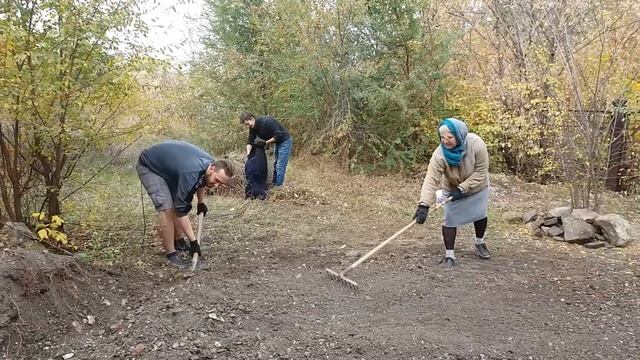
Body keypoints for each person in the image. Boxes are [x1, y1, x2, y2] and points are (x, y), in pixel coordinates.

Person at [136, 140, 233, 268]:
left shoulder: (209, 165)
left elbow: (202, 181)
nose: (216, 185)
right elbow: (181, 212)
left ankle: (178, 242)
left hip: (169, 168)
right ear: (212, 169)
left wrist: (201, 202)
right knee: (167, 208)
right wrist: (194, 242)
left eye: (221, 184)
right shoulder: (191, 172)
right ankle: (171, 255)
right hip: (150, 166)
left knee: (177, 203)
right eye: (217, 180)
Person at [414, 118, 491, 269]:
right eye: (442, 138)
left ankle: (479, 242)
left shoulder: (476, 144)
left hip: (477, 187)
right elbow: (431, 179)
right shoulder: (440, 154)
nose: (445, 141)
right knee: (450, 219)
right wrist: (424, 205)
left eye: (450, 137)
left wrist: (463, 188)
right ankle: (449, 254)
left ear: (459, 135)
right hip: (451, 188)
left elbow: (481, 171)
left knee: (480, 214)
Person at [240, 112, 292, 187]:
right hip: (277, 142)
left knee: (280, 165)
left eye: (248, 124)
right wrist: (248, 155)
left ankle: (278, 187)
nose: (248, 126)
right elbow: (250, 140)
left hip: (285, 141)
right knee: (276, 164)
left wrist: (265, 143)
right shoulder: (253, 127)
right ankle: (274, 183)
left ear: (252, 119)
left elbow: (279, 135)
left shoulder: (267, 122)